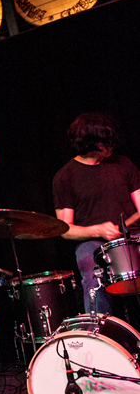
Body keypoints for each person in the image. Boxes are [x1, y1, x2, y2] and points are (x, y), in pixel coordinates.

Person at [53, 112, 140, 313]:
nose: (111, 144)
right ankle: (101, 328)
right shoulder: (65, 177)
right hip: (94, 244)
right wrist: (98, 230)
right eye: (104, 141)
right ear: (90, 143)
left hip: (134, 235)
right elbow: (65, 230)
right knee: (93, 275)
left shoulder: (123, 163)